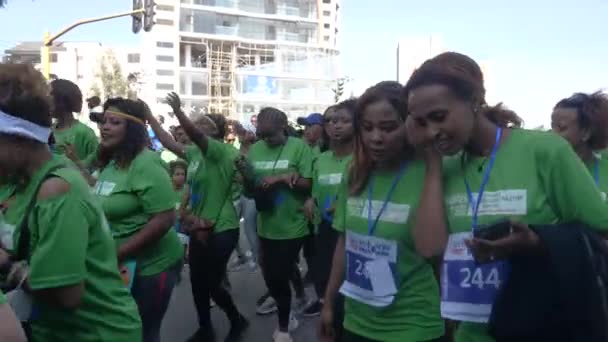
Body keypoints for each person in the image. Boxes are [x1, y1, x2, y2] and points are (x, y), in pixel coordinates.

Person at [404, 52, 608, 342]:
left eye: (439, 117)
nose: (432, 131)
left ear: (475, 101)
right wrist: (432, 160)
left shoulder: (545, 150)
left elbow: (600, 232)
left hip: (542, 325)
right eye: (421, 122)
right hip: (470, 333)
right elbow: (428, 248)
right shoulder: (443, 167)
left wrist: (537, 243)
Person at [0, 64, 142, 341]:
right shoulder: (14, 181)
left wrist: (7, 266)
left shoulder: (58, 188)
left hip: (98, 334)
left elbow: (67, 296)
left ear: (17, 138)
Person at [319, 82, 445, 342]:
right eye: (367, 128)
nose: (376, 137)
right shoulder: (354, 173)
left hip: (415, 323)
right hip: (356, 319)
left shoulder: (431, 174)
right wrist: (329, 303)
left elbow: (439, 256)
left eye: (388, 128)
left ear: (409, 125)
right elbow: (345, 242)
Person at [94, 97, 183, 342]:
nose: (105, 127)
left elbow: (164, 219)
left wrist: (119, 253)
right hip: (120, 266)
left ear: (132, 129)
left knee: (144, 332)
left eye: (114, 122)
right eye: (103, 121)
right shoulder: (113, 163)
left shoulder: (146, 164)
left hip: (153, 267)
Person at [165, 93, 249, 342]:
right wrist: (148, 117)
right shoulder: (195, 155)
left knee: (212, 281)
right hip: (197, 225)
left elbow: (196, 134)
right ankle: (205, 329)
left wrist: (179, 111)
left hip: (222, 227)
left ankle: (237, 320)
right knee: (197, 282)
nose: (195, 127)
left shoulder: (219, 152)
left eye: (202, 125)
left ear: (214, 132)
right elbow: (169, 144)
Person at [238, 107, 314, 342]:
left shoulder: (299, 147)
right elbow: (249, 190)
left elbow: (310, 184)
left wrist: (282, 179)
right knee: (281, 267)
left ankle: (284, 323)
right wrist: (246, 176)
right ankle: (299, 294)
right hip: (266, 221)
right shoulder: (256, 149)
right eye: (262, 135)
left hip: (294, 222)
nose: (266, 140)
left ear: (283, 128)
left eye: (270, 135)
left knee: (276, 275)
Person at [302, 99, 356, 322]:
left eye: (344, 121)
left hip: (350, 231)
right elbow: (315, 189)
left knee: (348, 288)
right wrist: (310, 200)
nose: (336, 126)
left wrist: (342, 204)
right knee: (324, 278)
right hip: (323, 228)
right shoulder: (321, 159)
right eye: (331, 121)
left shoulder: (363, 159)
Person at [551, 91, 608, 198]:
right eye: (552, 126)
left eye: (561, 128)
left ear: (586, 132)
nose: (552, 134)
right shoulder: (544, 172)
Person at [50, 79, 98, 162]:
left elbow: (95, 166)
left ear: (62, 102)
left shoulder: (85, 133)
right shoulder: (49, 131)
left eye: (50, 100)